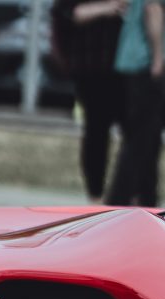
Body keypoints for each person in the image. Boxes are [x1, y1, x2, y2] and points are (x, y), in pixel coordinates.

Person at [105, 0, 165, 206]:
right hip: (146, 65)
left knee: (149, 139)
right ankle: (119, 201)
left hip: (134, 62)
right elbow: (154, 8)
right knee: (141, 140)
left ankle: (148, 199)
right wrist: (158, 59)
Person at [52, 0, 129, 202]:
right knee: (97, 130)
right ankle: (95, 194)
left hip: (124, 68)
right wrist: (110, 7)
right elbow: (69, 13)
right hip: (90, 66)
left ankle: (128, 194)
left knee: (133, 132)